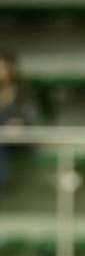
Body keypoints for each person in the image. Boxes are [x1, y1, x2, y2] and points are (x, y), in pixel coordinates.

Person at [0, 49, 37, 190]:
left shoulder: (23, 94)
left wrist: (20, 124)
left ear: (10, 70)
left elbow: (29, 119)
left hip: (20, 142)